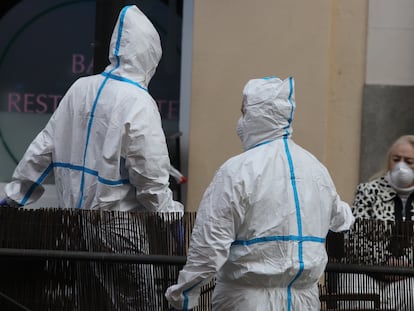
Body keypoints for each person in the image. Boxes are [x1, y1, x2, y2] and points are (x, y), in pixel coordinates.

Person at [1, 5, 183, 310]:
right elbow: (150, 180)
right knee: (139, 302)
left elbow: (43, 148)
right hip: (120, 231)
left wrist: (15, 195)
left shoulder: (79, 89)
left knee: (87, 300)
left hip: (74, 226)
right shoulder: (139, 102)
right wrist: (171, 219)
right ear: (149, 54)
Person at [165, 76, 354, 310]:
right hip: (304, 300)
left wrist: (183, 295)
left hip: (246, 300)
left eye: (244, 112)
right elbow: (341, 218)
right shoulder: (316, 170)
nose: (240, 120)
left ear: (256, 115)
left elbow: (209, 246)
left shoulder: (237, 170)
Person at [339, 135, 414, 310]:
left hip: (409, 275)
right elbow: (355, 238)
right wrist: (385, 263)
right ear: (388, 161)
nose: (401, 166)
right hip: (366, 272)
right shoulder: (368, 191)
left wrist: (406, 266)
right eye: (396, 159)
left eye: (408, 161)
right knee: (356, 292)